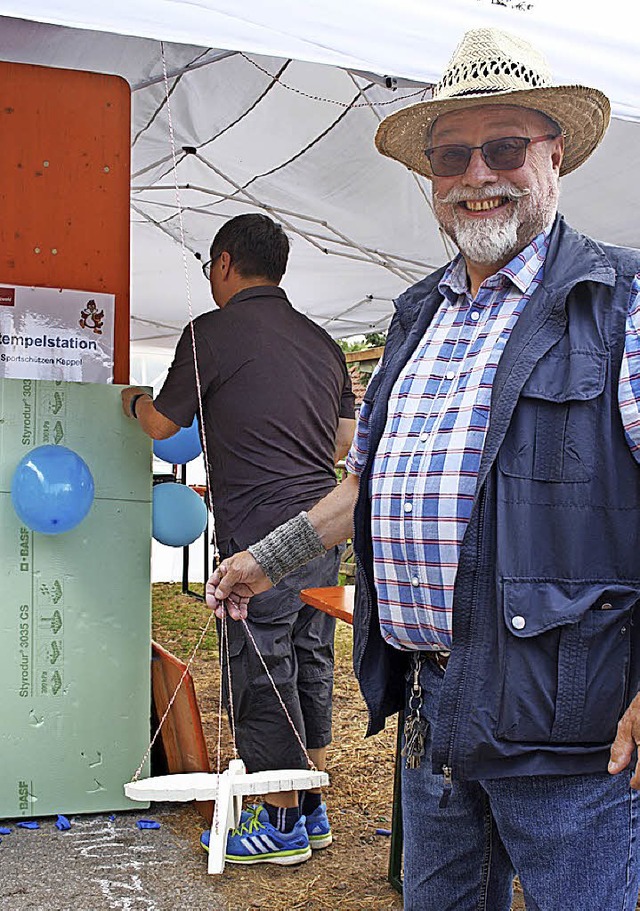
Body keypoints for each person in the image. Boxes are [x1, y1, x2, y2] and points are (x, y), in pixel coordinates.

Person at [206, 28, 640, 911]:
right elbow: (365, 487)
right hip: (434, 710)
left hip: (577, 732)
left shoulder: (620, 302)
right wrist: (264, 561)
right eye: (453, 154)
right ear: (432, 179)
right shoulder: (416, 314)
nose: (479, 173)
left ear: (555, 156)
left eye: (506, 147)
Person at [121, 213, 356, 866]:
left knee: (261, 668)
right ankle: (309, 806)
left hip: (260, 535)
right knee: (310, 661)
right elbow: (342, 444)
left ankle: (278, 825)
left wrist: (133, 402)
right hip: (323, 528)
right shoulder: (322, 342)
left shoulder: (211, 333)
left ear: (224, 264)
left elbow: (165, 420)